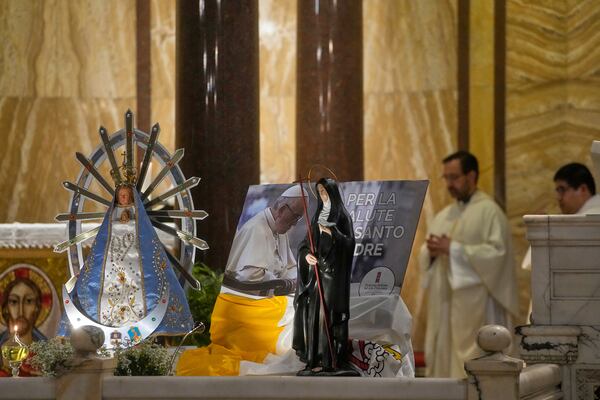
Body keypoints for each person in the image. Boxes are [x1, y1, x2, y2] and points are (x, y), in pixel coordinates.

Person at [418, 150, 519, 378]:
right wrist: (432, 253)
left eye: (454, 177)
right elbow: (426, 255)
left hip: (478, 309)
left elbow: (497, 254)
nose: (449, 184)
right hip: (446, 305)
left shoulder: (490, 212)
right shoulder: (445, 215)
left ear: (472, 176)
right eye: (446, 178)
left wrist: (453, 250)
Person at [64, 181, 194, 338]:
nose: (123, 198)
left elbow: (144, 236)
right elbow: (104, 239)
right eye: (121, 195)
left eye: (126, 195)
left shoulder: (137, 213)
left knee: (142, 289)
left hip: (136, 260)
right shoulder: (113, 214)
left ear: (131, 196)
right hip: (112, 260)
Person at [293, 178, 358, 376]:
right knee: (313, 317)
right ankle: (315, 360)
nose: (322, 195)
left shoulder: (342, 216)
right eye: (319, 191)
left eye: (325, 191)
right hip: (316, 276)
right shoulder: (317, 216)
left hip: (333, 279)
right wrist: (307, 256)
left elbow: (349, 244)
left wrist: (332, 232)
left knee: (328, 317)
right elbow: (305, 244)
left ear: (332, 192)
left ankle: (331, 361)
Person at [223, 185, 307, 296]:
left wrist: (295, 279)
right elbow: (249, 276)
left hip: (271, 293)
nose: (295, 223)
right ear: (281, 210)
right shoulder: (256, 229)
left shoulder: (280, 228)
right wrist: (284, 283)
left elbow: (288, 266)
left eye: (299, 218)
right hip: (247, 296)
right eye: (295, 216)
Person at [0, 277, 46, 346]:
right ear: (6, 307)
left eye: (29, 301)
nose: (21, 312)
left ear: (36, 307)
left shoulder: (47, 350)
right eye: (14, 301)